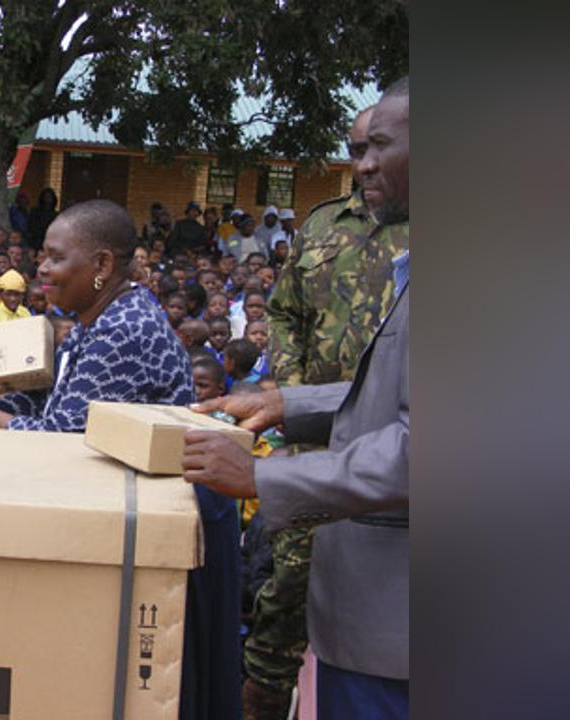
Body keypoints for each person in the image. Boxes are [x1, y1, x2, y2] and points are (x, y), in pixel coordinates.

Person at [0, 199, 241, 720]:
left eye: (54, 258)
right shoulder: (95, 317)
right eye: (42, 256)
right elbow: (52, 403)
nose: (41, 269)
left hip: (170, 526)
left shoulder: (122, 330)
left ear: (103, 266)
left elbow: (59, 437)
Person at [183, 75, 408, 719]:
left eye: (380, 146)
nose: (361, 163)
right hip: (338, 493)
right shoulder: (329, 228)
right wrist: (292, 400)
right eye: (357, 148)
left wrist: (258, 478)